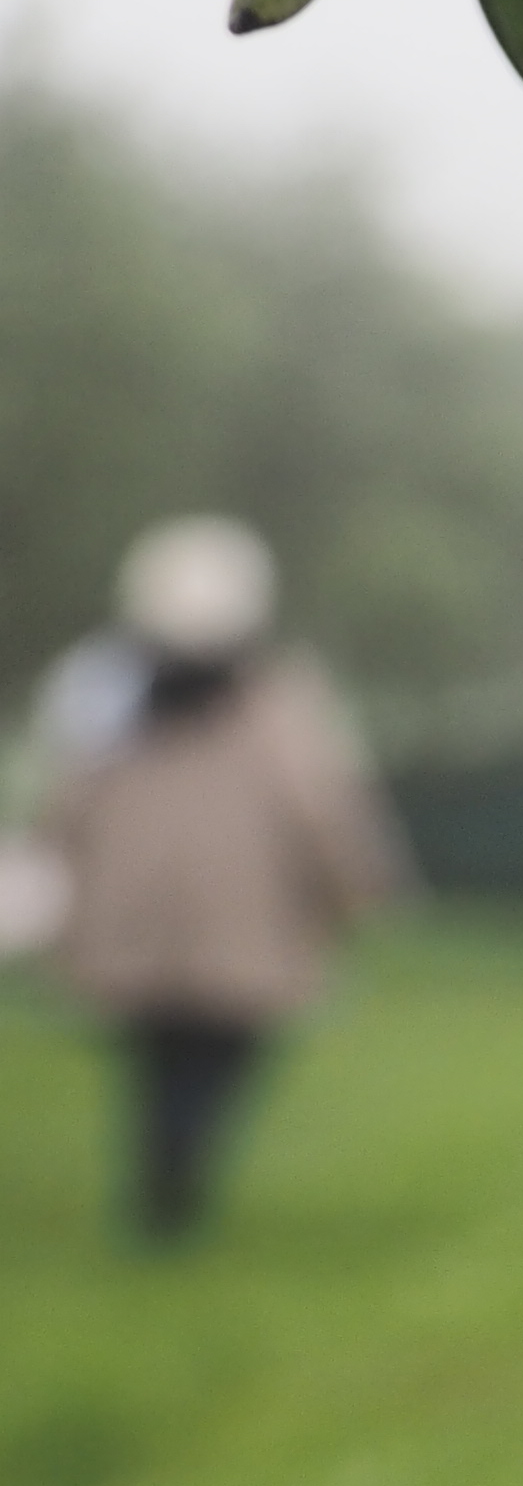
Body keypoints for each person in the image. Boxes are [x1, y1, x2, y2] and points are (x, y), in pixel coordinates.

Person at [39, 517, 406, 1244]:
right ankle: (176, 1181)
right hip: (242, 924)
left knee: (155, 1062)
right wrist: (360, 888)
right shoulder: (275, 699)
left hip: (131, 921)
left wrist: (64, 893)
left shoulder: (110, 696)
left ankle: (159, 1186)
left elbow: (65, 810)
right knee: (219, 1056)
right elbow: (321, 807)